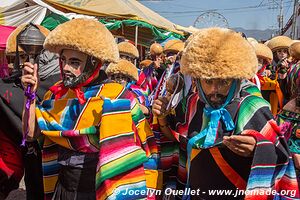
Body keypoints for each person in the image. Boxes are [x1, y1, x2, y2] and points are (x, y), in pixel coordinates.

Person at [152, 27, 299, 199]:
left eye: (224, 81)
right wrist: (162, 117)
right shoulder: (191, 104)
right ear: (197, 79)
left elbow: (282, 157)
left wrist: (258, 148)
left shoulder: (253, 107)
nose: (214, 89)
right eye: (208, 81)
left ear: (237, 79)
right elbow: (175, 139)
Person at [21, 18, 154, 200]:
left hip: (99, 192)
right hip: (62, 191)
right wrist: (30, 95)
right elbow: (30, 134)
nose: (66, 67)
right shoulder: (55, 95)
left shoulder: (118, 97)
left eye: (74, 62)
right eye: (63, 60)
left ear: (94, 62)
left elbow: (146, 151)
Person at [0, 23, 60, 199]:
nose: (12, 66)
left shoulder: (60, 88)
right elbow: (29, 133)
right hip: (31, 163)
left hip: (58, 165)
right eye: (11, 60)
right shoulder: (14, 86)